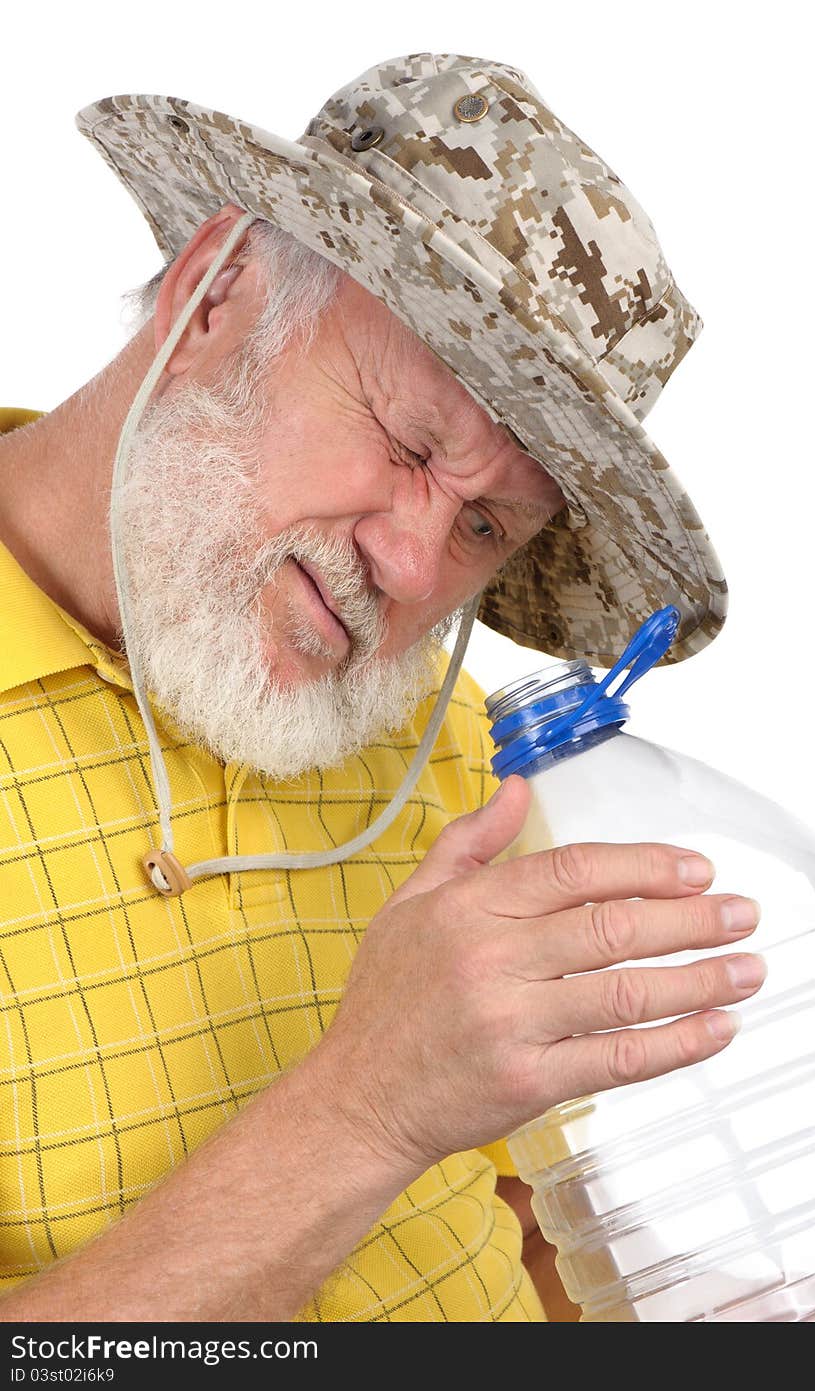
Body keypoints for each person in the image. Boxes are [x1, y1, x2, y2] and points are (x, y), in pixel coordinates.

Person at [0, 53, 764, 1322]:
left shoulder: (432, 739)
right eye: (408, 444)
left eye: (481, 532)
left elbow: (528, 1234)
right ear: (209, 299)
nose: (409, 565)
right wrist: (366, 1111)